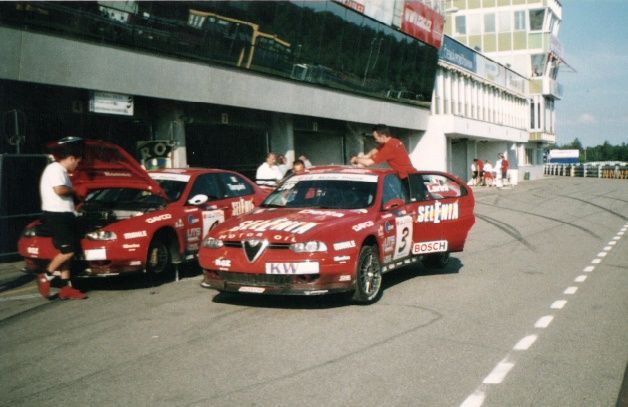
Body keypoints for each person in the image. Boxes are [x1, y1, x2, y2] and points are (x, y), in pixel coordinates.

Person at [37, 137, 87, 300]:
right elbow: (59, 190)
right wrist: (75, 190)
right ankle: (46, 276)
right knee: (68, 251)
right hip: (57, 215)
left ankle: (66, 287)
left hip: (64, 214)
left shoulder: (62, 172)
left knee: (68, 252)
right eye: (77, 162)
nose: (77, 166)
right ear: (72, 158)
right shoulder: (55, 169)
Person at [350, 124, 416, 179]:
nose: (375, 140)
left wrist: (356, 159)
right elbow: (374, 151)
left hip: (408, 178)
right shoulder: (394, 141)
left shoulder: (389, 148)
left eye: (376, 138)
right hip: (412, 175)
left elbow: (368, 163)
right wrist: (364, 157)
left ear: (383, 137)